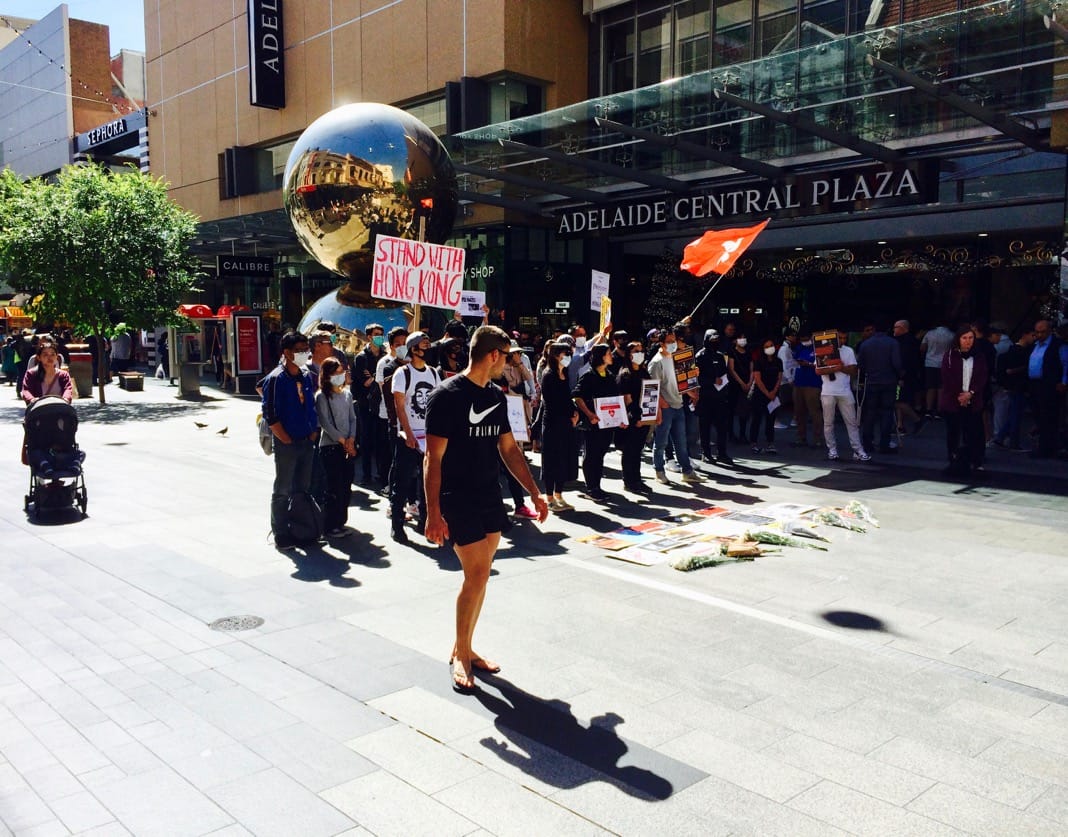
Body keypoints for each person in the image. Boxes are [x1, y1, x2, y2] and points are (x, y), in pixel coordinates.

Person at [424, 326, 549, 691]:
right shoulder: (446, 396)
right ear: (493, 355)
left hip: (489, 495)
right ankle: (462, 655)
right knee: (476, 576)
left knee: (480, 575)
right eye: (506, 356)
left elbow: (509, 449)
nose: (508, 363)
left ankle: (465, 646)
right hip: (457, 497)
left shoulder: (497, 395)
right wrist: (433, 511)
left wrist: (534, 492)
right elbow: (433, 457)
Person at [261, 332, 319, 551]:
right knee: (283, 488)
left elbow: (310, 404)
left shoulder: (304, 375)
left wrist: (313, 431)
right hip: (287, 443)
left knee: (302, 487)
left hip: (306, 439)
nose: (305, 353)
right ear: (287, 352)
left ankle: (301, 525)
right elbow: (270, 412)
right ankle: (281, 532)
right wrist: (283, 437)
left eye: (306, 348)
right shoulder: (276, 378)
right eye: (300, 349)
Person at [389, 331, 440, 542]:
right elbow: (399, 406)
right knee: (401, 482)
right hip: (408, 437)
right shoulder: (403, 373)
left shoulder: (434, 374)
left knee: (428, 483)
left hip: (429, 437)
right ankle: (397, 524)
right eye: (424, 345)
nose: (427, 348)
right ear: (413, 348)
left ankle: (426, 522)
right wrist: (408, 434)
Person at [647, 328, 702, 485]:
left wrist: (693, 375)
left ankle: (687, 472)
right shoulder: (656, 363)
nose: (673, 344)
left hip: (678, 404)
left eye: (674, 341)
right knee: (661, 442)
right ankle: (659, 471)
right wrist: (660, 406)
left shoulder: (677, 359)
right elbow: (652, 388)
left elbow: (684, 381)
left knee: (681, 441)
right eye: (669, 341)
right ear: (662, 343)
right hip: (666, 407)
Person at [572, 343, 625, 501]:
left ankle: (597, 486)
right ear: (602, 356)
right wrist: (589, 414)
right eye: (609, 353)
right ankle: (591, 488)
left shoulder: (609, 376)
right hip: (593, 424)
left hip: (607, 424)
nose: (611, 356)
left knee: (600, 454)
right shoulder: (588, 376)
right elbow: (577, 396)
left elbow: (616, 400)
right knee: (591, 455)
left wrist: (621, 418)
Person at [315, 357, 358, 537]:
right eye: (337, 373)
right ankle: (330, 524)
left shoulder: (347, 394)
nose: (341, 376)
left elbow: (352, 418)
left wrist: (351, 439)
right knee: (334, 486)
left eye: (342, 372)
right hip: (331, 446)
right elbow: (324, 422)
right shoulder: (322, 396)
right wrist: (343, 441)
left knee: (346, 485)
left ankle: (341, 521)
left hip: (347, 445)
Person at [939, 325, 989, 472]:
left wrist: (970, 393)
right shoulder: (949, 356)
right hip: (953, 400)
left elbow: (982, 377)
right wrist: (960, 396)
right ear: (958, 339)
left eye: (971, 338)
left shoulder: (979, 356)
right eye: (964, 338)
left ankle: (976, 461)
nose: (968, 341)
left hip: (973, 400)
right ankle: (954, 460)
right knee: (953, 432)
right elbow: (947, 378)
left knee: (975, 433)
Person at [818, 329, 871, 462]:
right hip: (828, 391)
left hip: (844, 390)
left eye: (844, 338)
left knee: (852, 422)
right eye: (840, 338)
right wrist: (836, 368)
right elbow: (818, 370)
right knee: (828, 422)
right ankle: (832, 450)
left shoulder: (848, 351)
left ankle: (858, 450)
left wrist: (840, 368)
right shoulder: (824, 349)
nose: (843, 340)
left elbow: (853, 370)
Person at [539, 341, 580, 511]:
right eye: (565, 354)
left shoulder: (566, 372)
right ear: (556, 355)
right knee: (551, 460)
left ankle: (559, 494)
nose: (568, 358)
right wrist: (567, 415)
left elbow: (567, 396)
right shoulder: (548, 375)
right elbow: (552, 402)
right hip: (553, 422)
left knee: (564, 458)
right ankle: (549, 498)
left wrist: (574, 412)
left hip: (566, 423)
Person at [856, 319, 902, 455]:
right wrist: (899, 375)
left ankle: (867, 443)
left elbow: (861, 365)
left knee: (870, 412)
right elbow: (897, 363)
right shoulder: (893, 343)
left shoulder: (866, 344)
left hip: (871, 381)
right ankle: (884, 444)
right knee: (887, 412)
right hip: (888, 381)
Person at [1026, 318, 1068, 458]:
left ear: (1049, 331)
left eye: (1042, 332)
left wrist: (1063, 381)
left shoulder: (1058, 345)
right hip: (1036, 384)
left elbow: (1065, 364)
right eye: (1037, 332)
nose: (1039, 335)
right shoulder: (1035, 345)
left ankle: (1048, 447)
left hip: (1050, 384)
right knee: (1038, 415)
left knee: (1049, 416)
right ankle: (1044, 445)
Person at [617, 339, 655, 492]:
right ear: (629, 354)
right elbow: (627, 400)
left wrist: (651, 415)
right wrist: (637, 418)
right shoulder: (625, 374)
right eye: (636, 351)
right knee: (629, 451)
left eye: (641, 350)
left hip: (644, 417)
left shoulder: (643, 371)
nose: (640, 354)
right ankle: (629, 481)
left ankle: (637, 479)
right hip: (632, 418)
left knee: (637, 451)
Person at [374, 326, 409, 494]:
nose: (402, 346)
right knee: (390, 454)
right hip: (388, 414)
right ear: (392, 345)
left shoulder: (411, 361)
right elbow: (385, 390)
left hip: (408, 417)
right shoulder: (385, 364)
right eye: (398, 344)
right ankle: (388, 486)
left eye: (405, 343)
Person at [351, 323, 385, 486]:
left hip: (382, 404)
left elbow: (381, 380)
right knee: (366, 439)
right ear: (369, 336)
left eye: (381, 334)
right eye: (376, 334)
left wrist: (374, 378)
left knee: (381, 440)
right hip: (366, 404)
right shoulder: (361, 357)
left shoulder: (384, 356)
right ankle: (366, 475)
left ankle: (381, 473)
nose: (379, 337)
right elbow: (366, 382)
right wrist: (375, 379)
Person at [694, 329, 733, 466]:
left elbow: (724, 373)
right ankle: (706, 452)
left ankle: (722, 453)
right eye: (712, 340)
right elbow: (697, 377)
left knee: (722, 426)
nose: (715, 343)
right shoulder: (700, 356)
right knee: (705, 426)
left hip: (720, 396)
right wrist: (712, 381)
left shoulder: (720, 356)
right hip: (705, 396)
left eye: (717, 340)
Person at [990, 330, 1033, 450]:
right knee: (1015, 413)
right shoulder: (1022, 352)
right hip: (1018, 385)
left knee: (1013, 412)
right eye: (1032, 334)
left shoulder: (1011, 350)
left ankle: (1001, 436)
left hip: (1011, 384)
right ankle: (1008, 439)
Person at [749, 339, 783, 454]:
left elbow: (779, 377)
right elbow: (758, 379)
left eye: (771, 345)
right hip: (760, 394)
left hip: (773, 395)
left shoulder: (778, 361)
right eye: (767, 346)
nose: (770, 348)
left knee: (771, 419)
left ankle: (770, 442)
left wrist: (774, 392)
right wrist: (767, 393)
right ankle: (753, 443)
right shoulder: (758, 362)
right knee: (756, 419)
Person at [792, 330, 823, 447]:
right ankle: (801, 437)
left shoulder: (818, 348)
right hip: (799, 382)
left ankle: (818, 438)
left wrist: (809, 365)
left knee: (814, 411)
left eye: (806, 339)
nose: (804, 342)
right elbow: (794, 360)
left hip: (813, 384)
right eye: (802, 339)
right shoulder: (799, 347)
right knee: (799, 412)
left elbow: (822, 363)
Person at [920, 322, 955, 418]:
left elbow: (922, 348)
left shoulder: (929, 333)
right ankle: (939, 411)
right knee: (941, 388)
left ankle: (928, 409)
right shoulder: (951, 335)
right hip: (945, 363)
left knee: (930, 387)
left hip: (930, 363)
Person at [726, 333, 753, 442]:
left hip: (747, 382)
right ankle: (731, 434)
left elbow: (752, 369)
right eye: (740, 338)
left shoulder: (748, 353)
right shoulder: (732, 353)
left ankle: (743, 434)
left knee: (744, 410)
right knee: (731, 410)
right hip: (735, 384)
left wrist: (749, 383)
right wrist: (742, 383)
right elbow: (731, 369)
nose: (743, 340)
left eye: (744, 338)